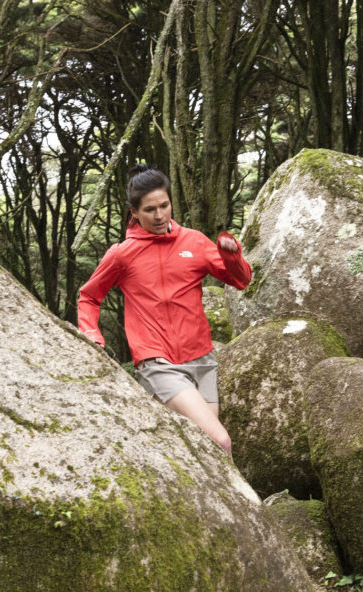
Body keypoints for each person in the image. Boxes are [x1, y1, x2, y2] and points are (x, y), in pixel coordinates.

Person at [77, 164, 251, 457]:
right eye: (149, 210)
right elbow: (89, 297)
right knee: (220, 442)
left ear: (171, 202)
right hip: (158, 362)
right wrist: (92, 335)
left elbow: (240, 280)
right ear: (134, 212)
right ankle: (245, 505)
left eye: (164, 206)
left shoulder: (194, 242)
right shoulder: (122, 254)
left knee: (199, 450)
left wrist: (232, 255)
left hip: (201, 359)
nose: (159, 216)